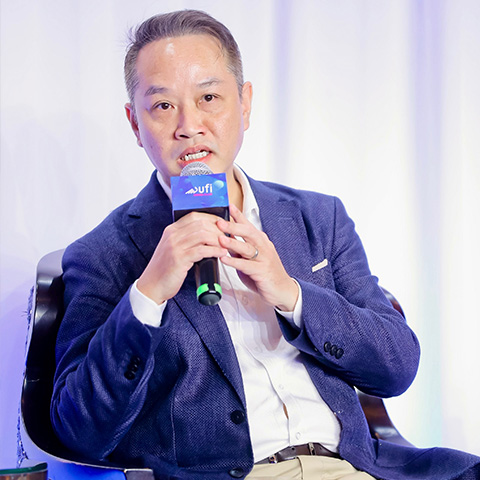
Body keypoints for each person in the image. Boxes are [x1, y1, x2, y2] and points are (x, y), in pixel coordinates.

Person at [51, 9, 480, 480]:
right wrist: (148, 294)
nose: (189, 126)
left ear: (245, 104)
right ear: (135, 123)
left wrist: (291, 295)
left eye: (209, 97)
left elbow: (397, 367)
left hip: (351, 467)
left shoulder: (319, 218)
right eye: (164, 106)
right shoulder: (101, 254)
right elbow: (79, 430)